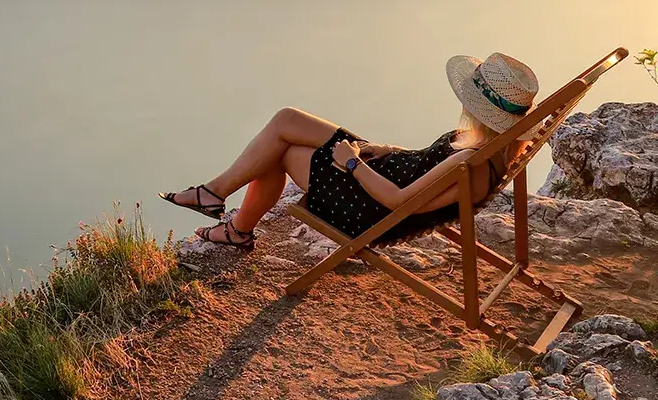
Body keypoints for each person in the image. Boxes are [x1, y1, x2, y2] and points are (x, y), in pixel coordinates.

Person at [161, 52, 539, 250]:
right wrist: (387, 149)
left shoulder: (469, 164)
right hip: (382, 169)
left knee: (280, 151)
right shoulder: (489, 149)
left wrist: (354, 164)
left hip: (366, 204)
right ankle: (219, 203)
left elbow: (398, 202)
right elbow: (428, 161)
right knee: (287, 118)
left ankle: (228, 217)